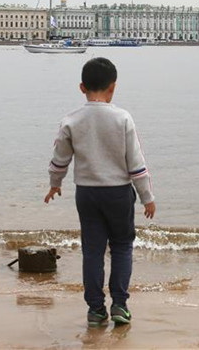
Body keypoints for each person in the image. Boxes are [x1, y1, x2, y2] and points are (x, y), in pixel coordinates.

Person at [44, 57, 155, 327]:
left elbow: (60, 157)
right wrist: (147, 197)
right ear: (113, 87)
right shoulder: (122, 118)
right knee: (121, 247)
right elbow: (136, 163)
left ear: (82, 87)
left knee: (92, 251)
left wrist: (55, 183)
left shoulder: (71, 120)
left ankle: (95, 309)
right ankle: (119, 304)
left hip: (87, 193)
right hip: (118, 192)